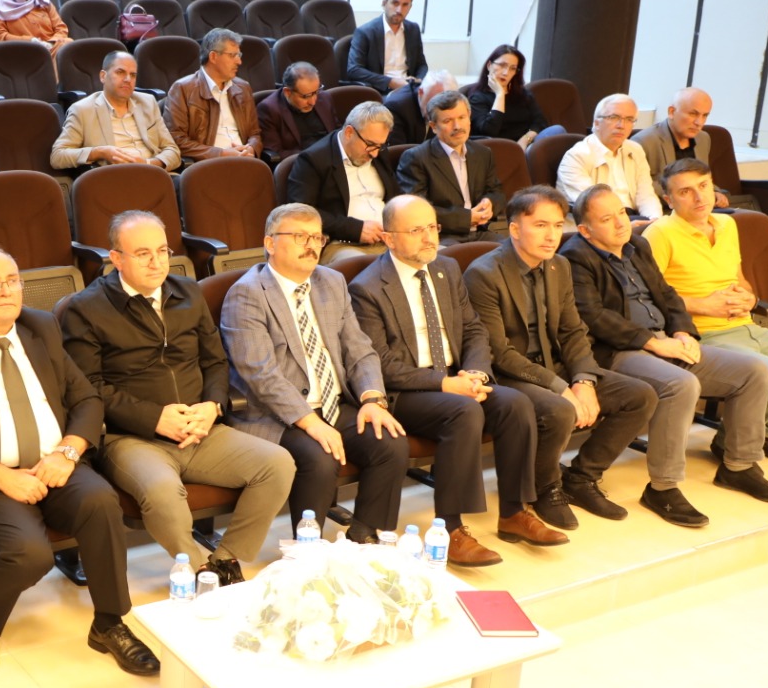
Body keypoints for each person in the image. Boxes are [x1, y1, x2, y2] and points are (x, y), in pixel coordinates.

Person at [0, 247, 160, 675]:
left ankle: (109, 623)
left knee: (101, 503)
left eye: (12, 280)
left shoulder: (40, 326)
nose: (6, 290)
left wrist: (68, 452)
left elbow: (86, 398)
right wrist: (3, 478)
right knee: (30, 553)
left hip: (55, 462)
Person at [60, 210, 295, 583]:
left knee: (278, 464)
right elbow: (89, 389)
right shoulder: (85, 309)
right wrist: (154, 418)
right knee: (162, 490)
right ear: (116, 258)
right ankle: (200, 566)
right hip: (132, 438)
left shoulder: (187, 291)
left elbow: (215, 361)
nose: (157, 262)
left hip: (200, 429)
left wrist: (211, 406)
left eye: (162, 251)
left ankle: (226, 560)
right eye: (143, 254)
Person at [350, 196, 565, 560]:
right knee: (463, 411)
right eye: (416, 230)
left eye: (432, 227)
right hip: (405, 391)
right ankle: (449, 529)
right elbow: (381, 363)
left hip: (456, 377)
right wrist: (445, 384)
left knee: (515, 403)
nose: (429, 238)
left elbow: (473, 329)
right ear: (388, 238)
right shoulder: (367, 287)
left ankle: (514, 511)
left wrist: (477, 373)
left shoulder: (446, 268)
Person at [561, 184, 768, 524]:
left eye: (621, 212)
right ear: (585, 230)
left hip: (665, 339)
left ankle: (739, 466)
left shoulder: (637, 245)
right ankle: (663, 488)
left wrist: (683, 331)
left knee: (753, 372)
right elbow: (593, 316)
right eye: (607, 219)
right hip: (617, 351)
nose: (621, 223)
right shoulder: (575, 257)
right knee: (680, 384)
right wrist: (651, 342)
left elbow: (667, 295)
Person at [464, 187, 657, 530]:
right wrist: (561, 387)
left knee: (640, 396)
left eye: (557, 225)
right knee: (559, 409)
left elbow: (573, 331)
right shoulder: (484, 274)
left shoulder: (559, 266)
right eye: (540, 225)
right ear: (514, 229)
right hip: (509, 374)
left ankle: (581, 477)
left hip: (555, 364)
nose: (552, 235)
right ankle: (545, 488)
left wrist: (583, 380)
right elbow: (498, 352)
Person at [219, 202, 408, 546]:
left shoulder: (331, 281)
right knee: (320, 457)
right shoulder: (247, 294)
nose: (311, 245)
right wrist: (310, 421)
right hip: (277, 415)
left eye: (317, 237)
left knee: (389, 442)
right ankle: (308, 550)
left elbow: (359, 349)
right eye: (300, 236)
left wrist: (372, 399)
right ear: (270, 243)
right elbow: (261, 375)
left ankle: (364, 535)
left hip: (333, 403)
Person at [644, 158, 768, 465]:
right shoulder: (660, 233)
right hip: (704, 336)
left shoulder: (727, 224)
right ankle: (740, 440)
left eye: (704, 186)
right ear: (669, 199)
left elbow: (739, 279)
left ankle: (753, 433)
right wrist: (702, 304)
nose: (699, 197)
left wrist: (750, 297)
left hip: (749, 326)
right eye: (686, 191)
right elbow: (646, 298)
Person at [284, 101, 400, 263]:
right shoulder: (314, 160)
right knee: (366, 266)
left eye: (380, 146)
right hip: (342, 244)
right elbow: (301, 212)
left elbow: (395, 195)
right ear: (349, 132)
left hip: (388, 239)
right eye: (370, 145)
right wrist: (355, 229)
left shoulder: (378, 152)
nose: (374, 154)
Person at [396, 89, 507, 243]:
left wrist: (490, 203)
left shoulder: (483, 153)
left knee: (515, 249)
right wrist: (467, 218)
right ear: (433, 126)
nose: (457, 126)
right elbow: (416, 209)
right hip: (442, 236)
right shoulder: (416, 158)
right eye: (447, 121)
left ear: (469, 117)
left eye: (462, 117)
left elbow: (497, 192)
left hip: (481, 232)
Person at [51, 49, 179, 172]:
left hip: (154, 174)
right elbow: (58, 156)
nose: (128, 79)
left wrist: (149, 164)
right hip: (114, 178)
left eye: (133, 75)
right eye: (120, 72)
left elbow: (172, 150)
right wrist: (100, 152)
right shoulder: (83, 110)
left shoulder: (148, 103)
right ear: (103, 76)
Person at [632, 87, 755, 211]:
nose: (699, 122)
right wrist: (688, 196)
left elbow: (701, 176)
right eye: (693, 114)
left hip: (700, 206)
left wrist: (714, 192)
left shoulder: (703, 138)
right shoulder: (644, 141)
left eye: (704, 115)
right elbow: (640, 185)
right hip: (666, 210)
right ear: (672, 112)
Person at [556, 94, 662, 217]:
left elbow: (646, 195)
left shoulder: (635, 150)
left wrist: (655, 220)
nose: (621, 125)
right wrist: (626, 224)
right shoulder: (577, 156)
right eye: (614, 117)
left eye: (629, 119)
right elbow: (593, 205)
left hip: (633, 217)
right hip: (599, 220)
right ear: (596, 123)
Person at [164, 28, 261, 162]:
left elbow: (255, 133)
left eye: (239, 55)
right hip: (209, 164)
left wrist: (251, 148)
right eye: (232, 55)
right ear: (213, 57)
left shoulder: (243, 88)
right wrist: (221, 154)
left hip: (245, 160)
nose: (239, 61)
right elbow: (176, 139)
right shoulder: (183, 89)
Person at [345, 0, 427, 92]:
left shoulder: (413, 29)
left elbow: (422, 65)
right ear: (384, 3)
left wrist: (419, 80)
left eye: (405, 5)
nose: (399, 10)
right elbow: (354, 70)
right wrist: (390, 82)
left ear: (410, 7)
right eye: (395, 3)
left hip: (409, 87)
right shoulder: (365, 32)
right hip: (381, 89)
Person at [464, 44, 549, 147]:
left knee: (556, 130)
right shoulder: (478, 97)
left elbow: (540, 122)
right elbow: (489, 132)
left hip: (526, 147)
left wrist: (525, 140)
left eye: (513, 68)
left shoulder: (523, 94)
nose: (506, 72)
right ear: (489, 65)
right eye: (502, 65)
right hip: (497, 149)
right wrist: (500, 95)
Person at [256, 61, 336, 166]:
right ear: (287, 92)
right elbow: (276, 153)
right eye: (306, 96)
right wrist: (316, 155)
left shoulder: (325, 98)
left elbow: (337, 133)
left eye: (316, 92)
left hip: (332, 160)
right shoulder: (269, 109)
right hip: (299, 164)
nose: (313, 102)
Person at [383, 68, 456, 147]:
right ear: (421, 92)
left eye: (444, 106)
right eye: (433, 103)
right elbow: (396, 151)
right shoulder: (397, 108)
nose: (438, 111)